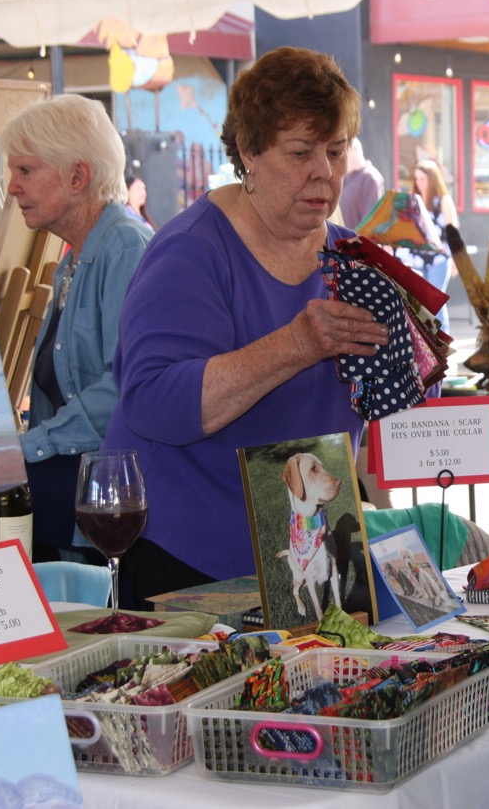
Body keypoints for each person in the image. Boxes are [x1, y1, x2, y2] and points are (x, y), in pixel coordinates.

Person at [103, 47, 389, 610]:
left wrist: (411, 358)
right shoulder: (192, 251)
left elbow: (381, 396)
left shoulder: (352, 257)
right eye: (301, 152)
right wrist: (297, 345)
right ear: (249, 152)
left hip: (310, 547)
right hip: (189, 557)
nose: (324, 173)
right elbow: (153, 400)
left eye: (335, 152)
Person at [0, 95, 152, 564]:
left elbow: (124, 388)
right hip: (84, 471)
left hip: (116, 479)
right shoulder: (76, 255)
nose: (12, 188)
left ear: (78, 176)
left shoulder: (124, 246)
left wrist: (27, 448)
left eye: (25, 171)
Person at [402, 159, 458, 332]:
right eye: (416, 179)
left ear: (432, 180)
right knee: (420, 304)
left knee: (435, 303)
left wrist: (457, 261)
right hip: (416, 259)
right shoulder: (413, 201)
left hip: (439, 260)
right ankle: (427, 345)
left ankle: (442, 345)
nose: (419, 183)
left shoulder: (443, 201)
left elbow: (453, 232)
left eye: (423, 179)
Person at [339, 138, 385, 229]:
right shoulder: (349, 177)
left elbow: (371, 220)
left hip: (358, 241)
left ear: (352, 151)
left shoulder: (370, 177)